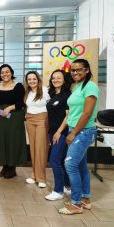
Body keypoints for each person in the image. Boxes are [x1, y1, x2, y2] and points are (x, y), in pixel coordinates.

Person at [59, 59, 99, 215]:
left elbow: (87, 113)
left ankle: (76, 204)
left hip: (83, 131)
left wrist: (74, 133)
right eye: (73, 70)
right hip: (75, 129)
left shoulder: (91, 86)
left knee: (70, 165)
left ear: (87, 70)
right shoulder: (77, 86)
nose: (75, 73)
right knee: (81, 166)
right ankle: (85, 199)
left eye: (79, 70)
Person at [0, 64, 27, 179]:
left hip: (15, 116)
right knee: (3, 140)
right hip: (2, 117)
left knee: (14, 140)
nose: (5, 74)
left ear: (11, 73)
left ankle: (12, 167)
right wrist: (2, 108)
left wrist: (9, 108)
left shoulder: (18, 86)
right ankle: (5, 166)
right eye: (2, 72)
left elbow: (21, 103)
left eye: (7, 72)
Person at [45, 69, 71, 201]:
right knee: (60, 160)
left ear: (64, 79)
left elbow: (68, 116)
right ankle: (67, 186)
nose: (55, 80)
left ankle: (58, 191)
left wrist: (59, 132)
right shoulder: (53, 94)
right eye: (53, 78)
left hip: (61, 132)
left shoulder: (67, 95)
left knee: (54, 160)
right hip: (52, 132)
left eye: (59, 78)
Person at [24, 71, 50, 187]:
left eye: (34, 79)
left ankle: (42, 178)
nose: (32, 81)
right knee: (33, 148)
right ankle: (34, 175)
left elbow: (50, 105)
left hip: (42, 119)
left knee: (41, 148)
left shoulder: (44, 90)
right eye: (29, 79)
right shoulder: (27, 92)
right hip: (30, 120)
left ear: (38, 79)